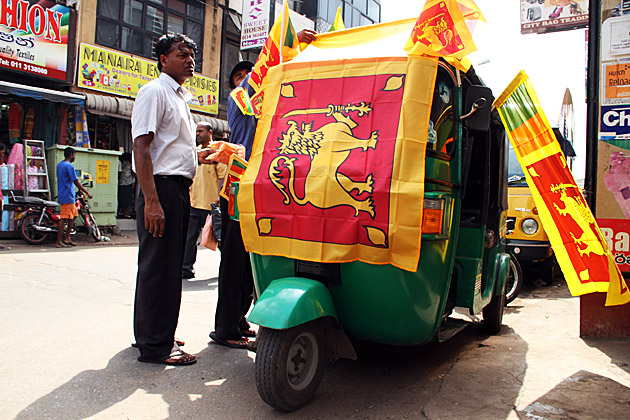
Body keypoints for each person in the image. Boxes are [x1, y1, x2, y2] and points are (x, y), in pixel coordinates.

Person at [210, 29, 317, 350]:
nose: (249, 77)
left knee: (253, 260)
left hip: (264, 186)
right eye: (241, 75)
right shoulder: (240, 98)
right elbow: (260, 75)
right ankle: (226, 326)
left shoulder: (273, 105)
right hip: (240, 185)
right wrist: (289, 42)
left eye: (249, 72)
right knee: (234, 261)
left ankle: (239, 321)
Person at [131, 33, 213, 366]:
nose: (190, 59)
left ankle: (154, 332)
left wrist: (201, 156)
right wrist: (151, 201)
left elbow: (171, 149)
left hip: (176, 189)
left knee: (163, 266)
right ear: (164, 59)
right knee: (160, 268)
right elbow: (142, 147)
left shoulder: (180, 97)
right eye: (182, 54)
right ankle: (155, 346)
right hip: (161, 190)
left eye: (192, 54)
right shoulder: (155, 91)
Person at [182, 122, 225, 279]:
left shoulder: (216, 152)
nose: (198, 134)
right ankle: (186, 268)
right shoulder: (195, 152)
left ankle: (226, 270)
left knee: (220, 240)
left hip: (211, 204)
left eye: (201, 131)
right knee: (189, 238)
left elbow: (222, 176)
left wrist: (219, 197)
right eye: (196, 131)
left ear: (210, 132)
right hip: (194, 202)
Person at [55, 147, 93, 248]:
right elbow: (75, 181)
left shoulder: (60, 165)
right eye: (74, 155)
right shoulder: (69, 166)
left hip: (64, 193)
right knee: (64, 218)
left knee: (74, 215)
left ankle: (67, 238)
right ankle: (59, 241)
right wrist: (87, 192)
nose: (75, 157)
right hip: (68, 195)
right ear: (71, 155)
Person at [117, 153, 134, 219]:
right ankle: (127, 213)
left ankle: (124, 213)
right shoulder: (130, 165)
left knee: (122, 199)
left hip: (121, 183)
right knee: (129, 199)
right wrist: (133, 182)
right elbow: (133, 174)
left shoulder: (120, 163)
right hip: (128, 183)